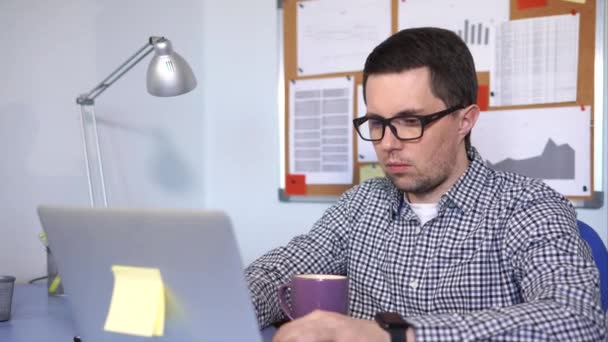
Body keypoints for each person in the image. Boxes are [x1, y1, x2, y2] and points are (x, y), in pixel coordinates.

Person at [245, 27, 607, 341]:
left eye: (410, 121)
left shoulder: (527, 206)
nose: (388, 143)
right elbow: (278, 273)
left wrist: (396, 335)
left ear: (465, 120)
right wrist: (220, 301)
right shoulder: (359, 206)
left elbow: (577, 319)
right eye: (376, 123)